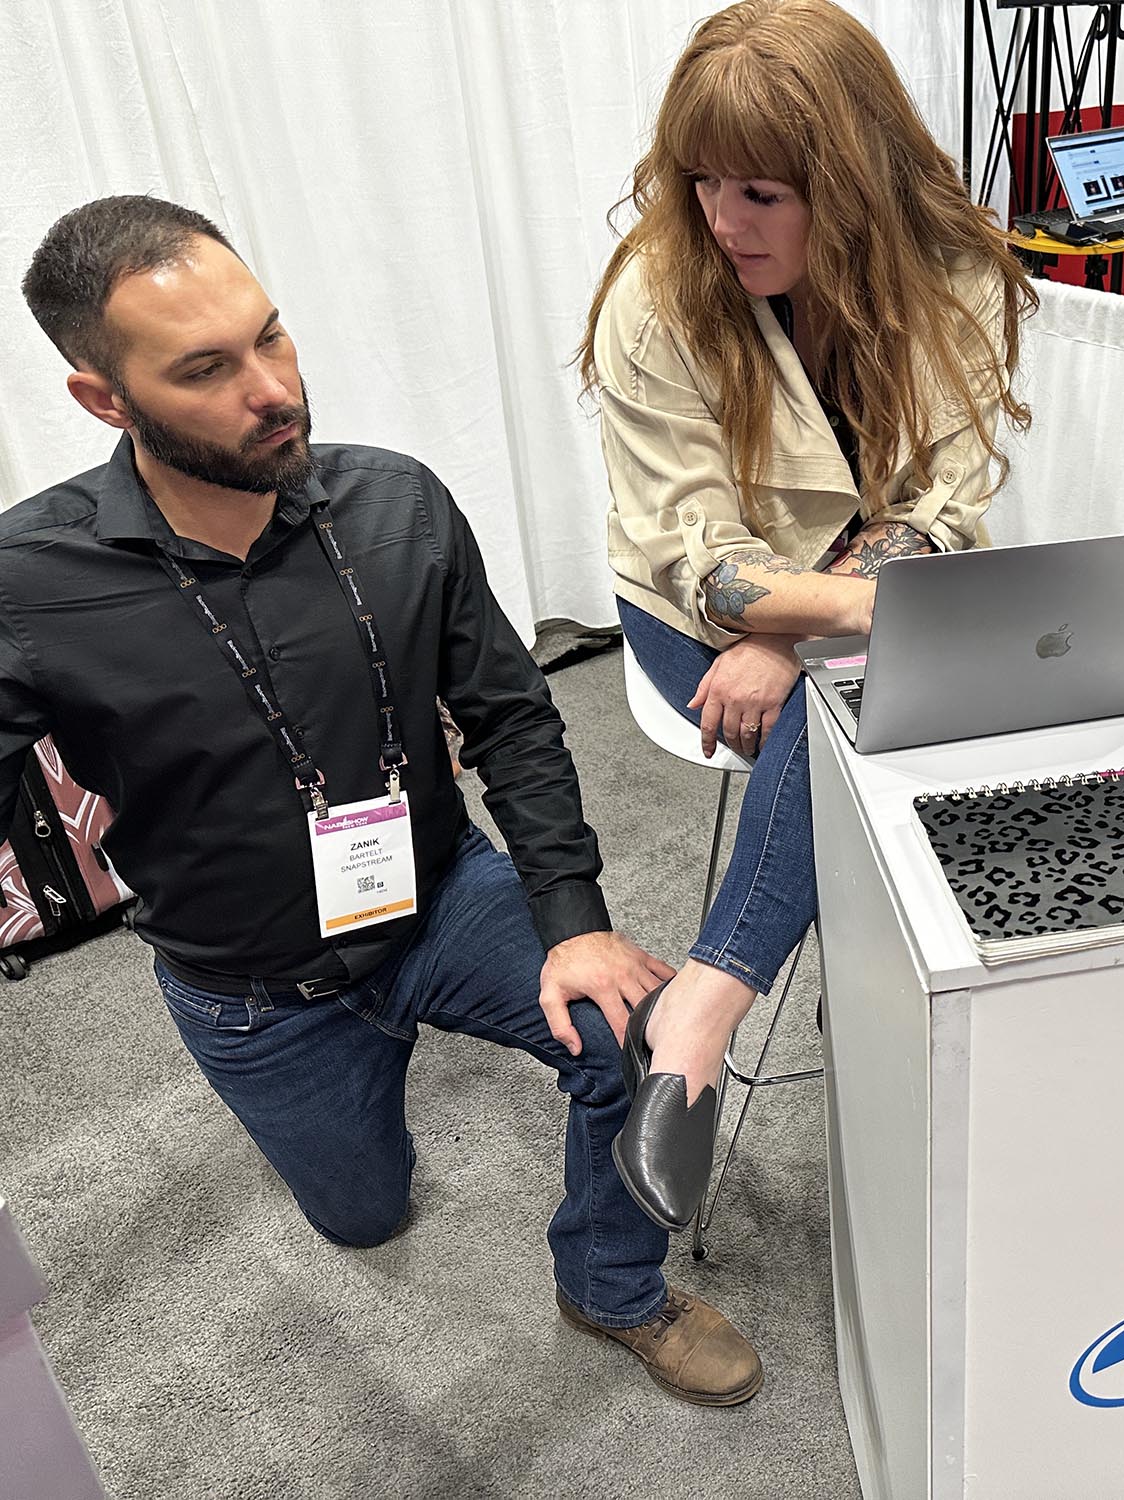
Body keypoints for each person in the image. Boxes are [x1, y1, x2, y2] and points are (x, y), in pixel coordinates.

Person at [8, 196, 762, 1409]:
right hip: (256, 990)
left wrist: (571, 921)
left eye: (273, 336)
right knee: (363, 1216)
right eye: (206, 368)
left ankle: (611, 1286)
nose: (272, 390)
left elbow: (513, 716)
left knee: (653, 1036)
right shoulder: (31, 585)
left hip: (441, 894)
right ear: (106, 400)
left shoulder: (394, 505)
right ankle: (358, 1100)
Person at [577, 0, 1034, 1232]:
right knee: (857, 715)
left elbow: (939, 497)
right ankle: (715, 1007)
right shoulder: (656, 294)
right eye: (703, 181)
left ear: (853, 182)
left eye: (763, 193)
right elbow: (705, 568)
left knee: (842, 703)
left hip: (826, 611)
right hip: (689, 613)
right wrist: (787, 624)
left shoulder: (949, 275)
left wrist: (790, 634)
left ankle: (689, 1019)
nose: (723, 220)